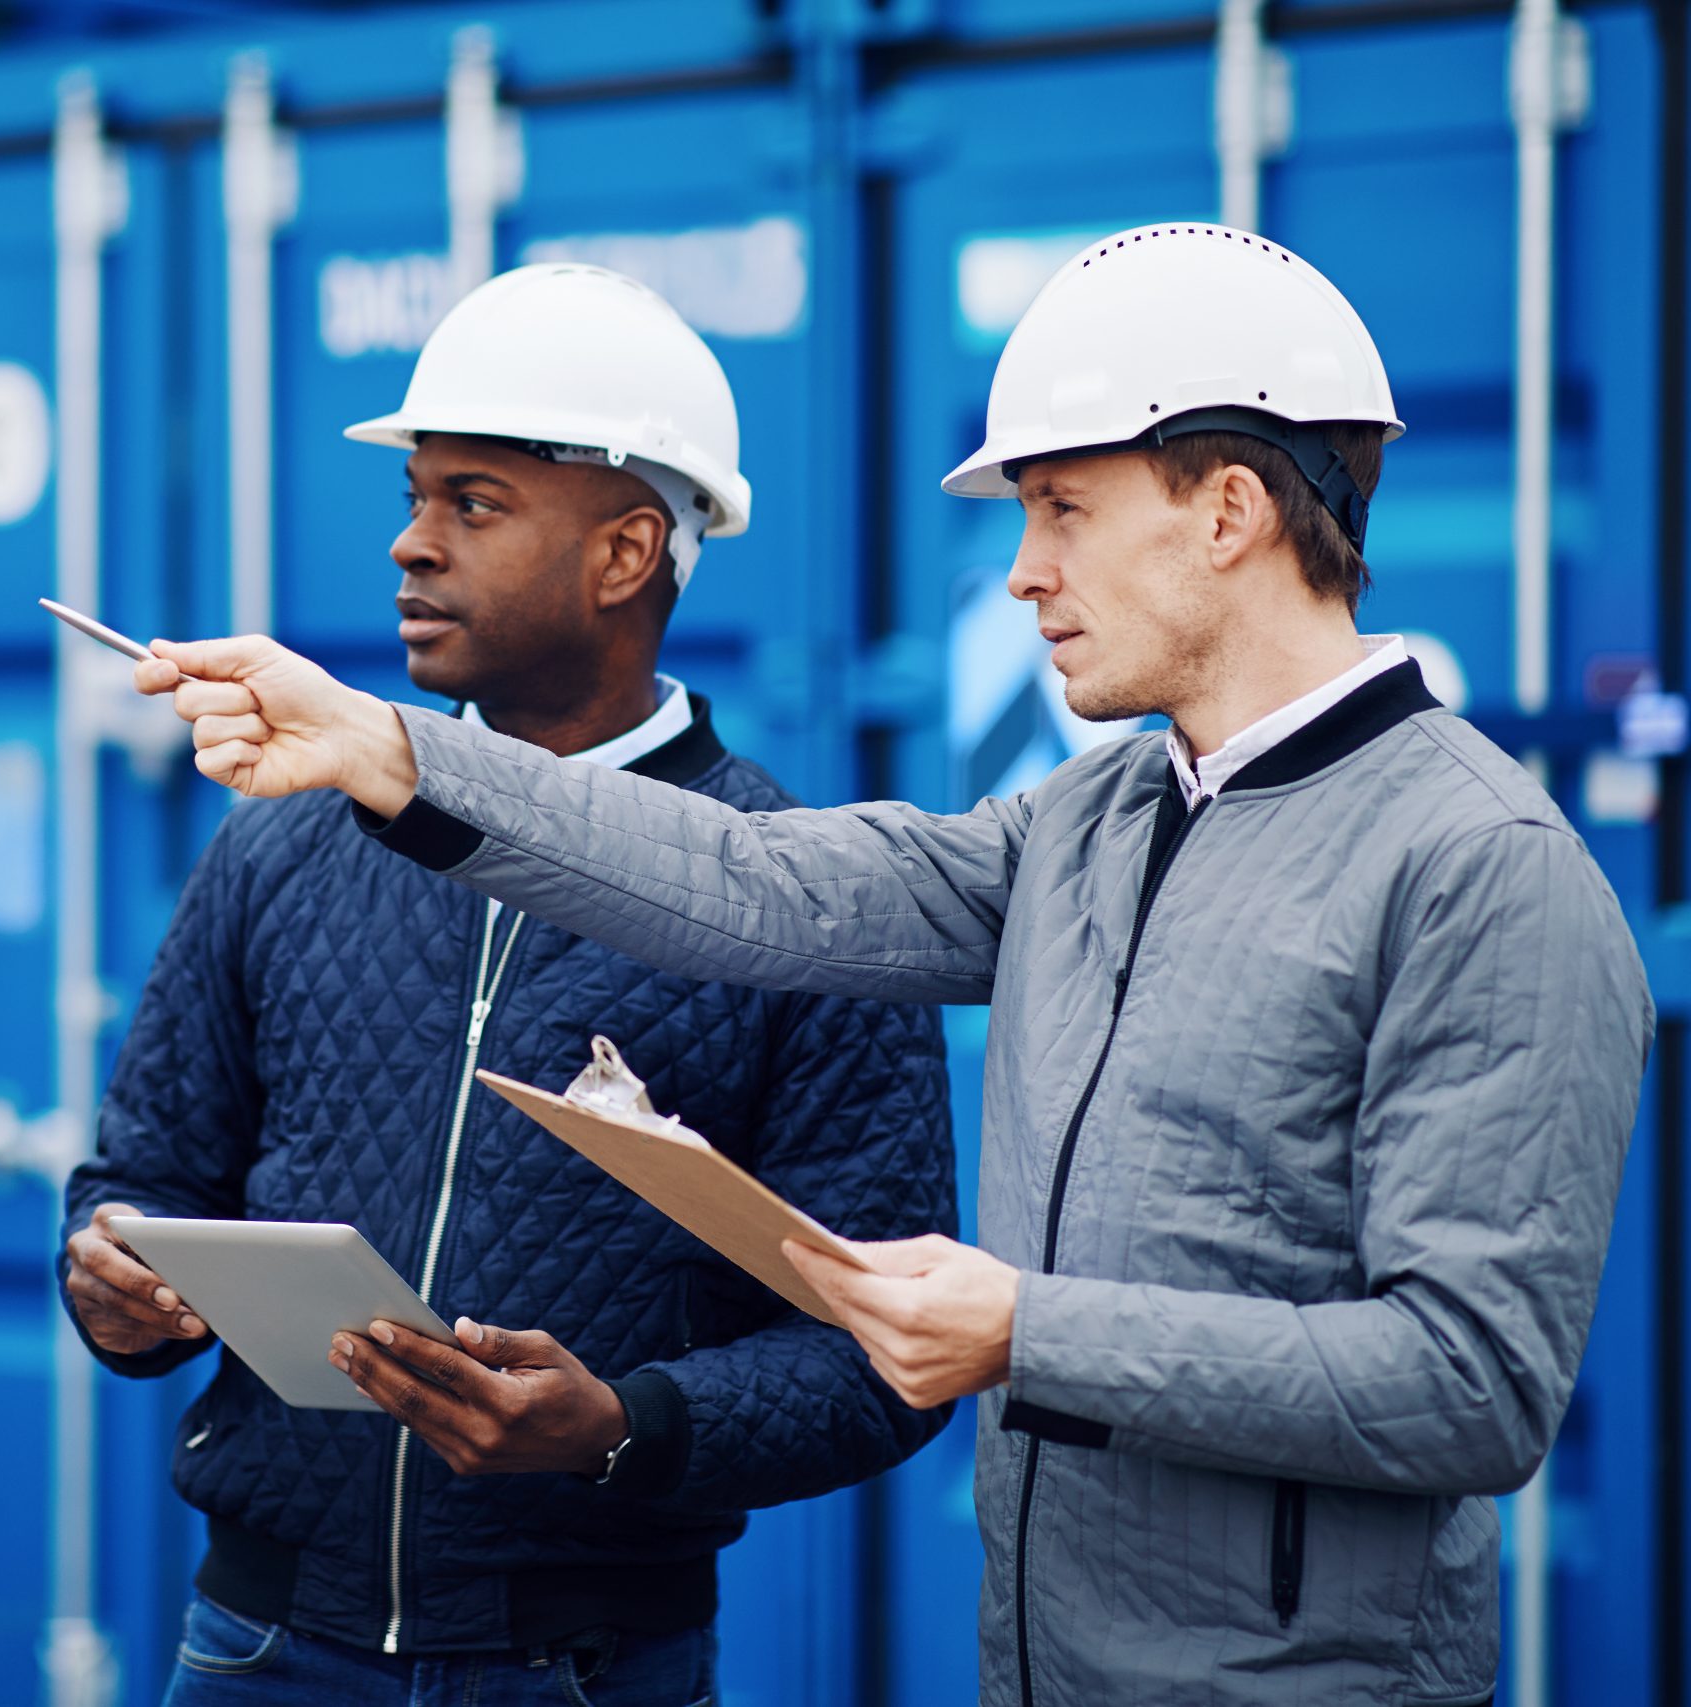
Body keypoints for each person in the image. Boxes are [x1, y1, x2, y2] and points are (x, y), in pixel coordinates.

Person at [134, 226, 1654, 1707]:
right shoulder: (1097, 818)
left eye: (1060, 508)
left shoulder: (1484, 870)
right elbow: (759, 879)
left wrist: (1023, 1332)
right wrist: (390, 754)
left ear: (1229, 512)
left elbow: (1472, 1386)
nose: (1021, 572)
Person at [61, 263, 957, 1705]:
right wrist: (109, 1284)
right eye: (413, 500)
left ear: (625, 554)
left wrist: (622, 1426)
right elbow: (135, 1177)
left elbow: (880, 1358)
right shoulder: (283, 842)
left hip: (589, 1669)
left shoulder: (805, 898)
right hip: (259, 1654)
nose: (412, 547)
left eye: (471, 505)